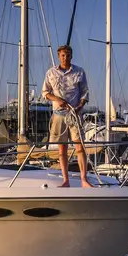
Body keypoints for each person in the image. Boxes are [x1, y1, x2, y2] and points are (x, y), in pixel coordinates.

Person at [41, 44, 92, 188]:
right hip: (58, 115)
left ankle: (84, 179)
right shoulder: (51, 73)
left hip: (74, 115)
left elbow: (85, 93)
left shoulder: (79, 72)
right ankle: (66, 180)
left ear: (71, 56)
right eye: (63, 55)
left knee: (80, 147)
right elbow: (45, 92)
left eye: (68, 55)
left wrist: (79, 107)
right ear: (59, 56)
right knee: (61, 150)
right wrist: (57, 99)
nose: (65, 57)